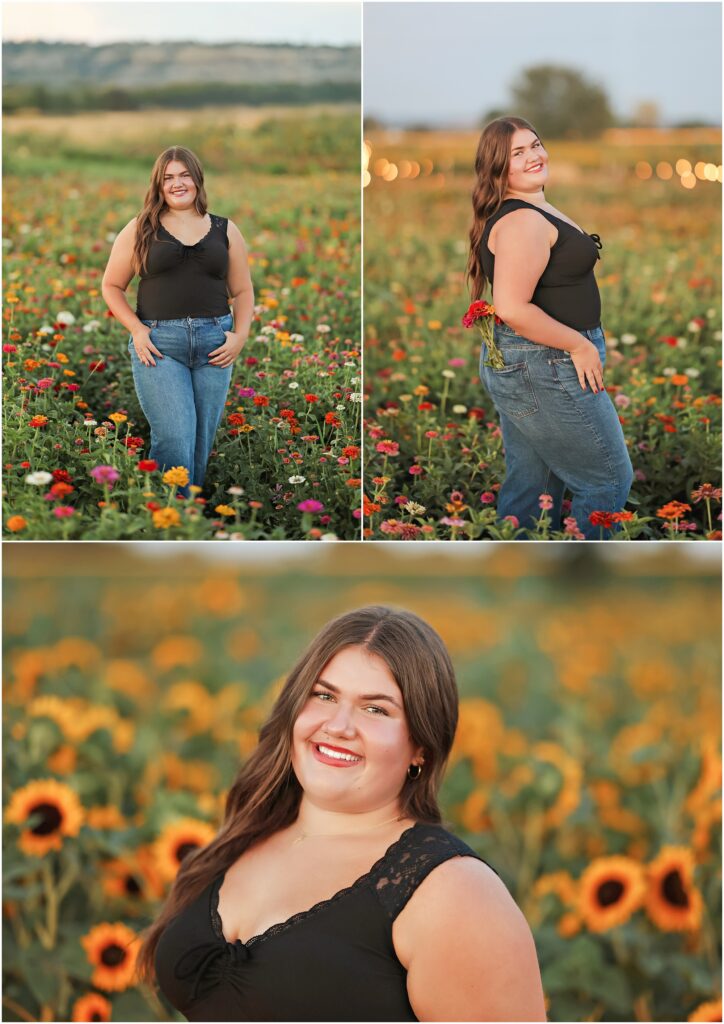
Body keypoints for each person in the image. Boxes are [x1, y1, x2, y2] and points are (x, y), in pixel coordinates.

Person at [139, 606, 546, 1022]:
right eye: (324, 696)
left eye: (376, 709)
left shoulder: (454, 893)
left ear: (421, 747)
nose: (338, 726)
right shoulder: (249, 829)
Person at [467, 116, 633, 539]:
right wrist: (579, 345)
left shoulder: (532, 207)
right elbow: (512, 307)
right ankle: (583, 570)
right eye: (517, 153)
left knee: (532, 485)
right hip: (547, 361)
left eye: (535, 145)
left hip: (537, 360)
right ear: (497, 166)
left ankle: (519, 560)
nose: (534, 156)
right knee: (607, 480)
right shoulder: (522, 221)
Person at [101, 145, 254, 494]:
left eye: (184, 175)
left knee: (200, 440)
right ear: (159, 184)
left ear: (197, 179)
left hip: (216, 344)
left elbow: (243, 290)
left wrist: (240, 335)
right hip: (159, 345)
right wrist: (137, 330)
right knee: (175, 437)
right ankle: (168, 514)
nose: (177, 183)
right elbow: (111, 286)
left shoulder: (225, 229)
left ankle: (188, 515)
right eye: (168, 177)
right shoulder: (140, 228)